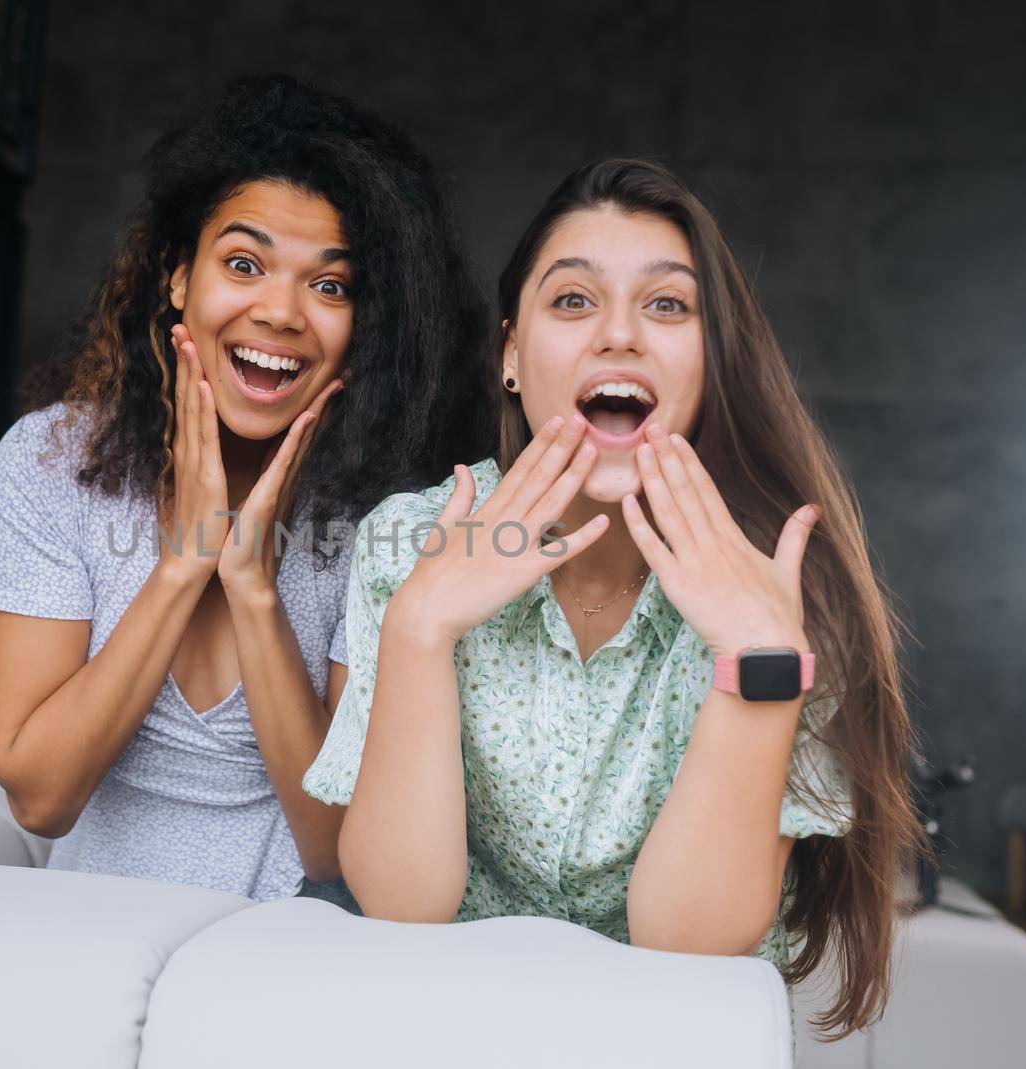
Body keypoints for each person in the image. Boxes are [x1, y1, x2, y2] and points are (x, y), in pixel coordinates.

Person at [304, 158, 930, 1041]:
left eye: (668, 305)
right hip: (444, 1028)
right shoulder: (410, 539)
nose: (620, 336)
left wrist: (760, 658)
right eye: (572, 301)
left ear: (712, 362)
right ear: (512, 355)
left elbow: (690, 938)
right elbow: (402, 902)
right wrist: (420, 624)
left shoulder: (785, 586)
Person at [0, 74, 490, 903]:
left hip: (289, 953)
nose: (281, 311)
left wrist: (251, 587)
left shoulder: (391, 522)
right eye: (243, 264)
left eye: (331, 285)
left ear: (367, 329)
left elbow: (332, 848)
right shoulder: (50, 463)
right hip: (80, 942)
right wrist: (184, 565)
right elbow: (40, 796)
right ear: (179, 277)